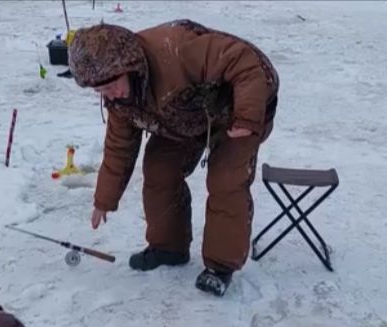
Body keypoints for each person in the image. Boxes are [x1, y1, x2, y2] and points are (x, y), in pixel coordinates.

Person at [68, 19, 279, 297]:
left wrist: (247, 116)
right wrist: (103, 200)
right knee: (159, 167)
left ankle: (220, 266)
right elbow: (119, 147)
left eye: (112, 85)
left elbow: (245, 63)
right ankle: (169, 246)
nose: (111, 95)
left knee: (226, 181)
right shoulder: (121, 100)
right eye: (101, 91)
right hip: (185, 116)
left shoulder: (177, 50)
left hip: (240, 105)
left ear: (128, 67)